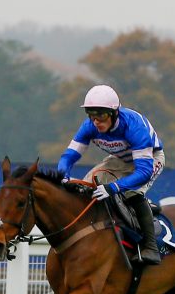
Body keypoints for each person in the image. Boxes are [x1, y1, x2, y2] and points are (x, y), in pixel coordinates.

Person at [57, 84, 165, 265]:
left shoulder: (134, 126)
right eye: (91, 115)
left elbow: (144, 172)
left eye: (101, 115)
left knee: (131, 192)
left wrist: (114, 187)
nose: (96, 121)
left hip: (149, 160)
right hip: (119, 160)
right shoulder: (89, 126)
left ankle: (151, 247)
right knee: (85, 186)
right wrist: (63, 176)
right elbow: (68, 157)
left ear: (115, 113)